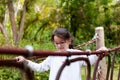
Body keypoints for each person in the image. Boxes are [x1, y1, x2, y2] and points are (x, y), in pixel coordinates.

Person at [16, 28, 107, 80]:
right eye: (56, 43)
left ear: (69, 41)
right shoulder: (53, 56)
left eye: (62, 42)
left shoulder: (76, 54)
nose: (59, 46)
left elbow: (90, 60)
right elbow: (40, 68)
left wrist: (100, 51)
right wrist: (26, 61)